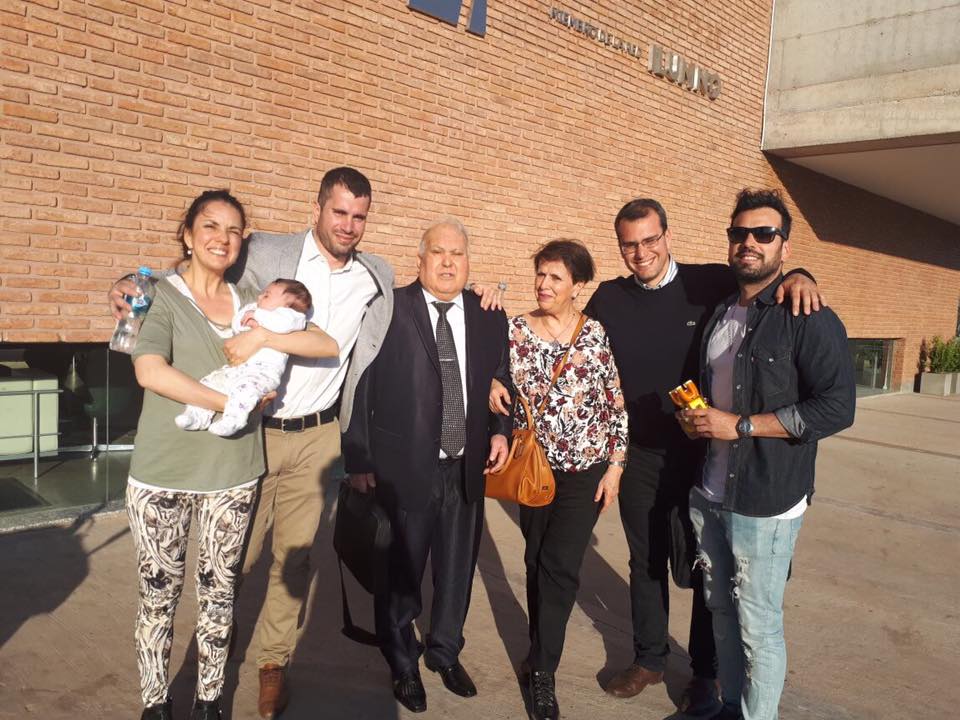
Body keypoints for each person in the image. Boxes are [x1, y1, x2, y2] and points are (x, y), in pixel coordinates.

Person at [112, 167, 395, 720]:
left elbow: (368, 333)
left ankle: (271, 665)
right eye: (339, 212)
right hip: (255, 435)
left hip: (317, 436)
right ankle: (196, 669)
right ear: (317, 209)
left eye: (359, 216)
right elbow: (191, 274)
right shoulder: (265, 252)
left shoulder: (375, 275)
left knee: (292, 559)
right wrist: (127, 284)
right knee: (228, 569)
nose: (348, 224)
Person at [583, 198, 824, 714]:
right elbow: (572, 342)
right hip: (640, 455)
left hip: (705, 452)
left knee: (705, 566)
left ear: (668, 236)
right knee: (646, 559)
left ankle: (706, 674)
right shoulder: (609, 297)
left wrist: (801, 275)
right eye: (629, 244)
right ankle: (649, 658)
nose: (641, 252)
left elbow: (764, 277)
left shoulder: (709, 281)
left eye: (650, 240)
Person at [681, 189, 855, 720]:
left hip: (767, 499)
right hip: (711, 490)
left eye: (764, 233)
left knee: (758, 625)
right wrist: (698, 418)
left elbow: (837, 407)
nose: (749, 242)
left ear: (785, 246)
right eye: (740, 233)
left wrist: (740, 426)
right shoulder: (720, 311)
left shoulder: (807, 315)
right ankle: (731, 706)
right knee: (721, 613)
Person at [341, 218, 511, 714]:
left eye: (457, 253)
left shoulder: (488, 315)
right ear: (420, 259)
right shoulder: (390, 308)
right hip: (404, 467)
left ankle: (444, 651)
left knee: (457, 572)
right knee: (401, 573)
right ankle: (402, 663)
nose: (448, 263)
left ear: (469, 261)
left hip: (466, 467)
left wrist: (500, 432)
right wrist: (358, 456)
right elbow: (360, 382)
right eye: (438, 252)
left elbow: (501, 378)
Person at [489, 239, 628, 720]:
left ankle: (544, 672)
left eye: (556, 278)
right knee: (535, 561)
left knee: (560, 566)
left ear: (578, 286)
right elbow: (491, 371)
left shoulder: (594, 334)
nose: (544, 285)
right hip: (534, 469)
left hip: (585, 472)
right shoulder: (515, 331)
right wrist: (493, 380)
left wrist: (616, 465)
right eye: (540, 274)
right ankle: (537, 651)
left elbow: (614, 403)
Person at [175, 279, 325, 436]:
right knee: (211, 382)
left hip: (262, 373)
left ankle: (233, 420)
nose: (259, 297)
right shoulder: (254, 308)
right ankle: (197, 415)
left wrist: (257, 316)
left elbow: (282, 324)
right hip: (237, 368)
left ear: (287, 305)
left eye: (266, 296)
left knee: (245, 393)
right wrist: (247, 318)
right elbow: (237, 323)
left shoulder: (292, 317)